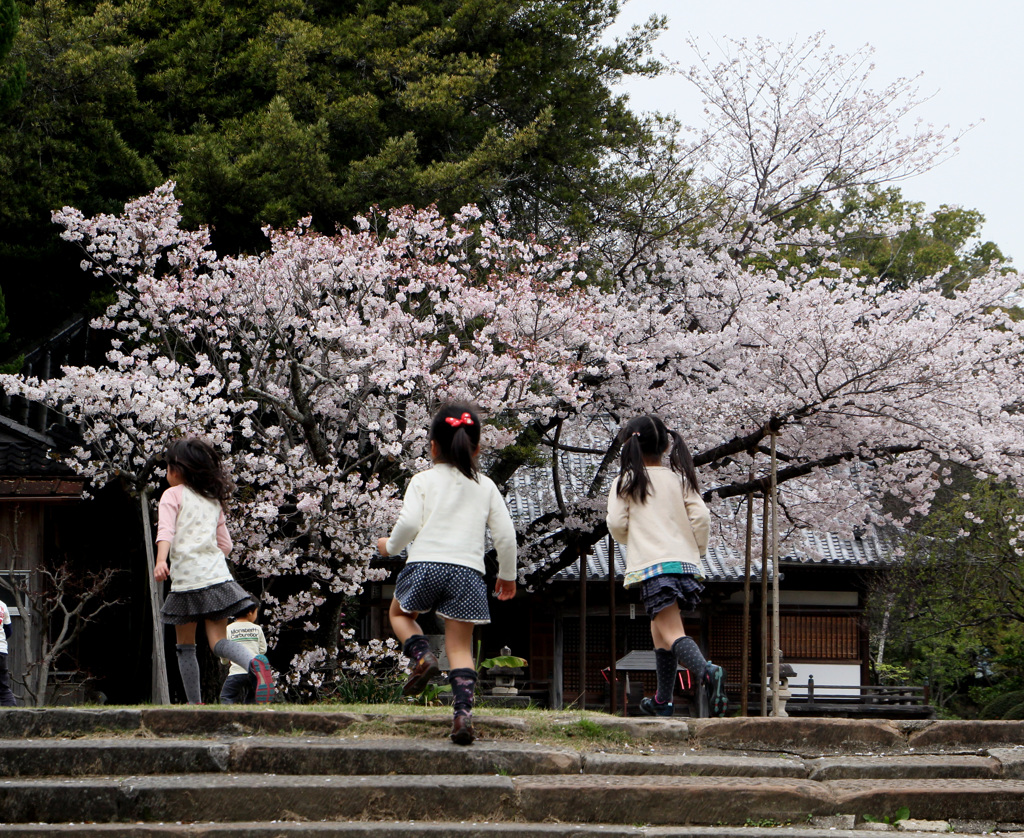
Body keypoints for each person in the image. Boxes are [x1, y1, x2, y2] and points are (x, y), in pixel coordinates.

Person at [377, 404, 517, 745]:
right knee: (459, 647)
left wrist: (390, 547)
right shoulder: (485, 485)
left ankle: (422, 655)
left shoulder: (422, 480)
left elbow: (409, 524)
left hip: (425, 565)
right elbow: (506, 536)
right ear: (477, 448)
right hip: (467, 573)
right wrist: (508, 575)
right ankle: (462, 715)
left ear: (433, 446)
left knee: (399, 613)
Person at [605, 415, 728, 718]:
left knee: (670, 629)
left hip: (654, 566)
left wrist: (631, 537)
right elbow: (701, 518)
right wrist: (695, 548)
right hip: (684, 564)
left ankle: (706, 671)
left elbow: (617, 524)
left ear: (630, 444)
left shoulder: (626, 481)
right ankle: (663, 699)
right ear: (665, 446)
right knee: (659, 628)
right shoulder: (680, 479)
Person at [155, 437, 275, 705]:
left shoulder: (171, 496)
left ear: (177, 469)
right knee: (217, 641)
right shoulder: (212, 500)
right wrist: (209, 561)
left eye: (167, 467)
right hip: (217, 578)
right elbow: (226, 545)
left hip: (187, 581)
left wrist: (162, 560)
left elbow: (166, 532)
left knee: (185, 646)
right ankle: (255, 662)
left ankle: (195, 704)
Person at [219, 605, 267, 704]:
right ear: (250, 612)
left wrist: (224, 661)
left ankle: (229, 716)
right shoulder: (257, 628)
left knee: (226, 696)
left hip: (236, 671)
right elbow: (263, 649)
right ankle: (250, 716)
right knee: (254, 697)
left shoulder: (228, 629)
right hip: (254, 671)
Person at [0, 596, 16, 706]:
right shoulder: (2, 605)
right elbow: (8, 631)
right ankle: (13, 715)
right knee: (3, 688)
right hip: (1, 650)